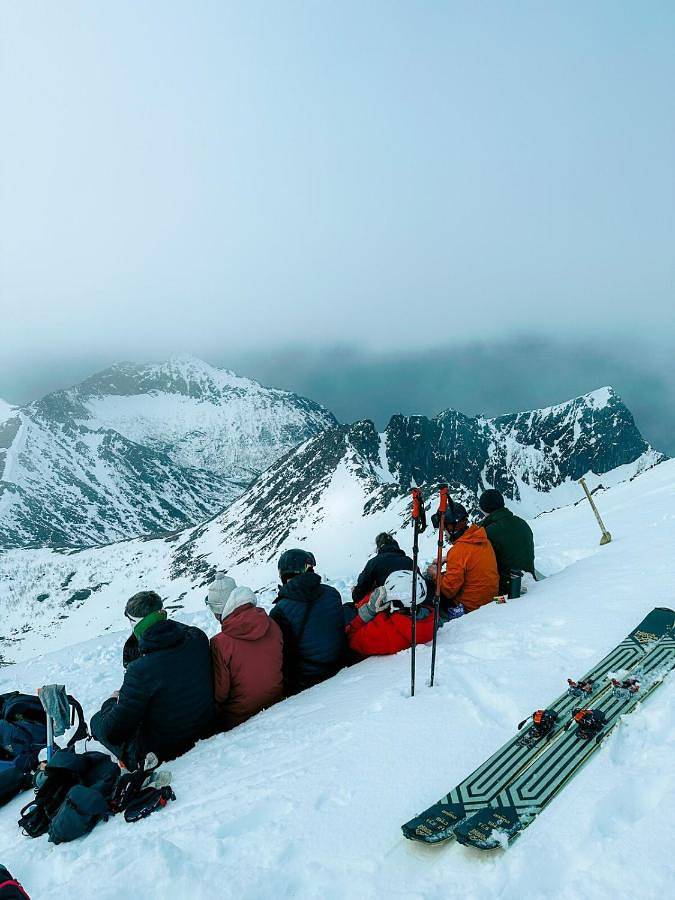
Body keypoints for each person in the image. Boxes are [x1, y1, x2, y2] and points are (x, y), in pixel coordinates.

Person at [90, 591, 215, 768]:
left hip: (164, 748)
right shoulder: (197, 637)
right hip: (204, 726)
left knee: (97, 722)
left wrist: (111, 702)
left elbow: (113, 732)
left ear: (136, 623)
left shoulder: (141, 669)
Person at [208, 581, 284, 730]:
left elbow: (220, 695)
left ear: (219, 611)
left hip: (239, 718)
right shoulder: (272, 623)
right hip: (277, 702)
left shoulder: (220, 643)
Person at [269, 549, 346, 695]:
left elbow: (285, 658)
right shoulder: (332, 593)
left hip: (309, 681)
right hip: (341, 665)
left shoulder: (280, 612)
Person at [427, 503, 499, 614]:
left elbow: (448, 590)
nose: (444, 533)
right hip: (491, 600)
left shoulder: (458, 551)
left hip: (472, 607)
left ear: (451, 527)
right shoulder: (482, 539)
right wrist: (449, 558)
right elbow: (469, 558)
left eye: (444, 528)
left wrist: (434, 573)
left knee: (431, 588)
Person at [346, 570, 434, 658]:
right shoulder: (429, 617)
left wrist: (369, 611)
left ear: (396, 604)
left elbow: (351, 640)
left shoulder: (383, 631)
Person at [478, 489, 535, 596]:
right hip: (531, 583)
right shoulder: (522, 523)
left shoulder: (488, 532)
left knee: (480, 606)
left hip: (507, 593)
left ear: (484, 510)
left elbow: (481, 565)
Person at [351, 533, 414, 602]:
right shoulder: (410, 561)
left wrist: (355, 593)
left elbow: (362, 587)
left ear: (380, 546)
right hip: (410, 603)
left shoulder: (374, 562)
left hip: (385, 605)